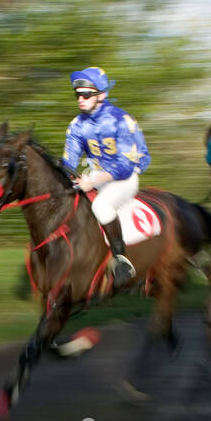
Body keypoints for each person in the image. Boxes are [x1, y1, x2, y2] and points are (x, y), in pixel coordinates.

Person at [61, 67, 151, 285]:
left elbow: (124, 167)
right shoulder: (76, 125)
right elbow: (68, 162)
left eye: (86, 95)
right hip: (94, 176)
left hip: (124, 179)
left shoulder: (121, 120)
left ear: (101, 95)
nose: (81, 99)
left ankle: (121, 261)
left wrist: (91, 181)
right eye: (78, 95)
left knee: (101, 206)